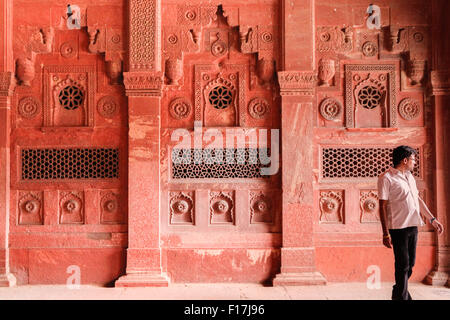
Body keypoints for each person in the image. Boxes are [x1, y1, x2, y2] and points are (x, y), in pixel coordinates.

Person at [378, 145, 444, 300]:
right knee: (403, 264)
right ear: (405, 160)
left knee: (410, 264)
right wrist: (385, 233)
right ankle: (402, 297)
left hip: (413, 226)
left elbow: (417, 200)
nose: (415, 162)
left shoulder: (410, 177)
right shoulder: (386, 178)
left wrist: (432, 219)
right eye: (413, 159)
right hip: (398, 228)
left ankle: (398, 292)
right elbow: (382, 206)